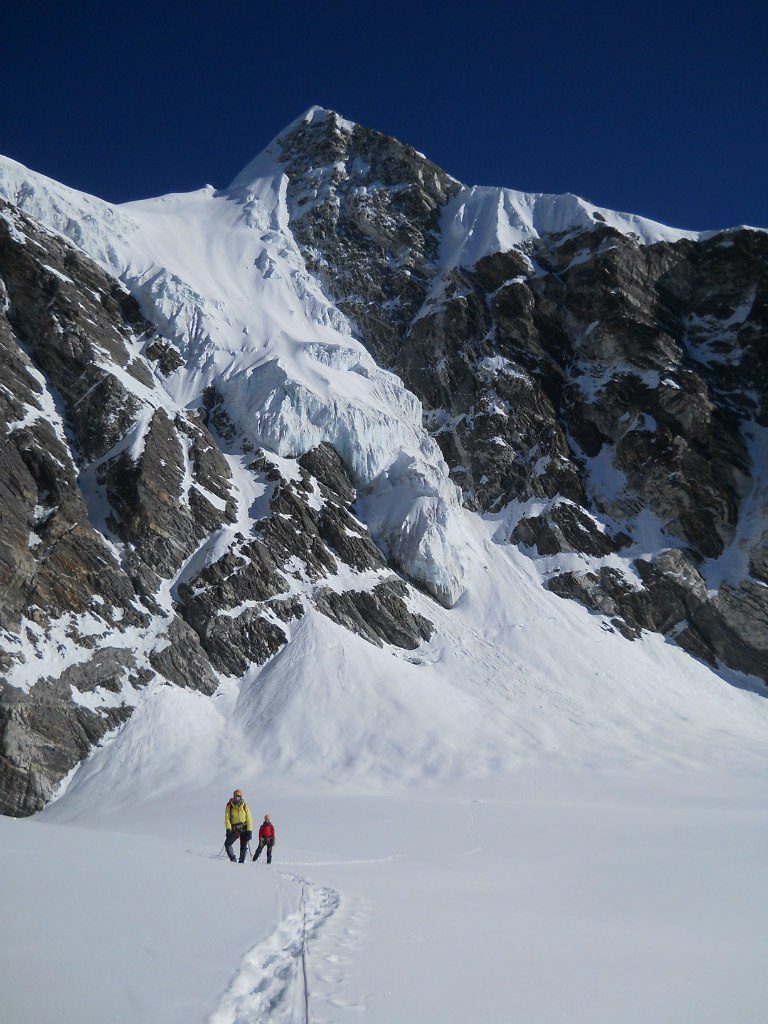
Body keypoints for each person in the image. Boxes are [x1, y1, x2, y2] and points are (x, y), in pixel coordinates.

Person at [224, 789, 253, 863]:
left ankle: (241, 862)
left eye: (239, 797)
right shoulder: (229, 806)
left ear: (241, 797)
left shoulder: (244, 806)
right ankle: (233, 860)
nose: (237, 799)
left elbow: (249, 818)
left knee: (243, 846)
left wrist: (249, 830)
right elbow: (227, 818)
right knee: (227, 844)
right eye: (236, 797)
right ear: (234, 797)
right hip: (234, 829)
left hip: (244, 829)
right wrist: (228, 829)